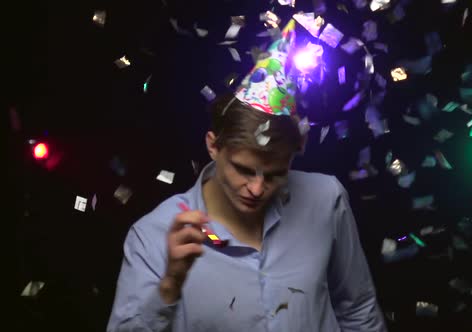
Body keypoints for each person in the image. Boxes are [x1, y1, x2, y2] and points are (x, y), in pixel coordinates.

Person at [107, 19, 386, 332]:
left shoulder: (326, 200)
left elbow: (359, 310)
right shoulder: (153, 236)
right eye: (242, 169)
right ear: (213, 146)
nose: (256, 188)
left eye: (275, 174)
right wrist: (168, 287)